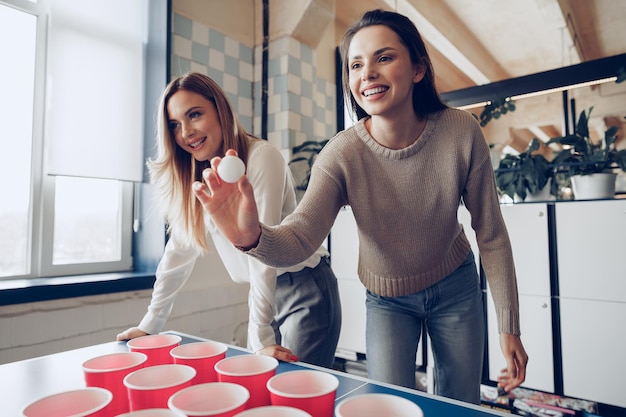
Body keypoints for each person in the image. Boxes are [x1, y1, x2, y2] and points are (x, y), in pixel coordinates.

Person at [193, 9, 529, 404]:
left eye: (383, 58)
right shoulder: (341, 155)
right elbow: (301, 237)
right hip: (387, 300)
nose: (367, 73)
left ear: (418, 68)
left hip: (455, 287)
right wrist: (250, 237)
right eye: (356, 64)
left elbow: (490, 233)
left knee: (459, 404)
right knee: (389, 406)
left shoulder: (460, 132)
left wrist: (509, 328)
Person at [117, 72, 341, 368]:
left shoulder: (262, 157)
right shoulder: (199, 175)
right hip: (263, 294)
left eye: (194, 115)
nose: (186, 132)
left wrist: (259, 338)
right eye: (174, 125)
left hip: (304, 288)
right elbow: (178, 253)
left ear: (220, 110)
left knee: (297, 396)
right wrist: (150, 323)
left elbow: (264, 255)